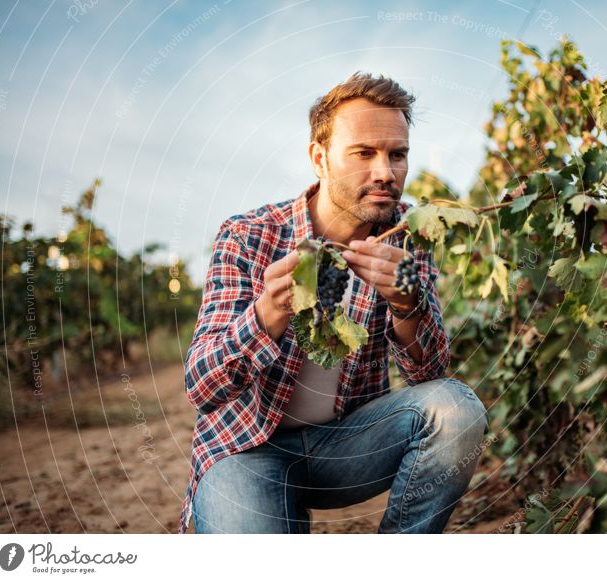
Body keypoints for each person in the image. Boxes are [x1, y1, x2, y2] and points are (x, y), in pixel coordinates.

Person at [178, 71, 488, 534]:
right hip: (247, 450)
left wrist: (408, 304)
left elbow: (430, 377)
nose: (385, 171)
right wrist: (269, 312)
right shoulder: (249, 235)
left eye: (396, 154)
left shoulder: (407, 235)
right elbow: (202, 386)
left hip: (350, 449)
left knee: (457, 410)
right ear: (319, 159)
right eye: (363, 153)